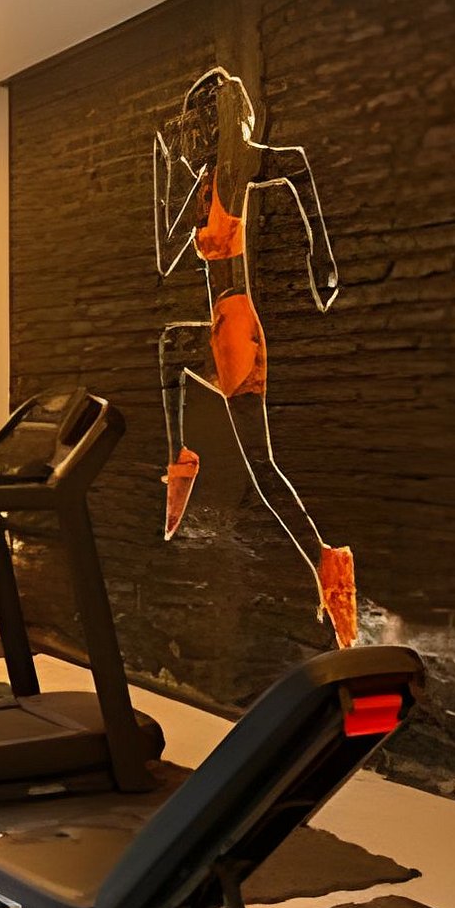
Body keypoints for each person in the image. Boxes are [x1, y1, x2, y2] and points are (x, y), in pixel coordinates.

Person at [153, 66, 358, 648]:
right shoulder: (205, 184)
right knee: (170, 345)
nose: (192, 137)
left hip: (237, 329)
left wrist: (322, 259)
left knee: (263, 470)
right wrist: (166, 173)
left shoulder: (239, 167)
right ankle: (182, 462)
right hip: (217, 322)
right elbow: (167, 256)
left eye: (200, 125)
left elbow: (296, 164)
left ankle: (330, 566)